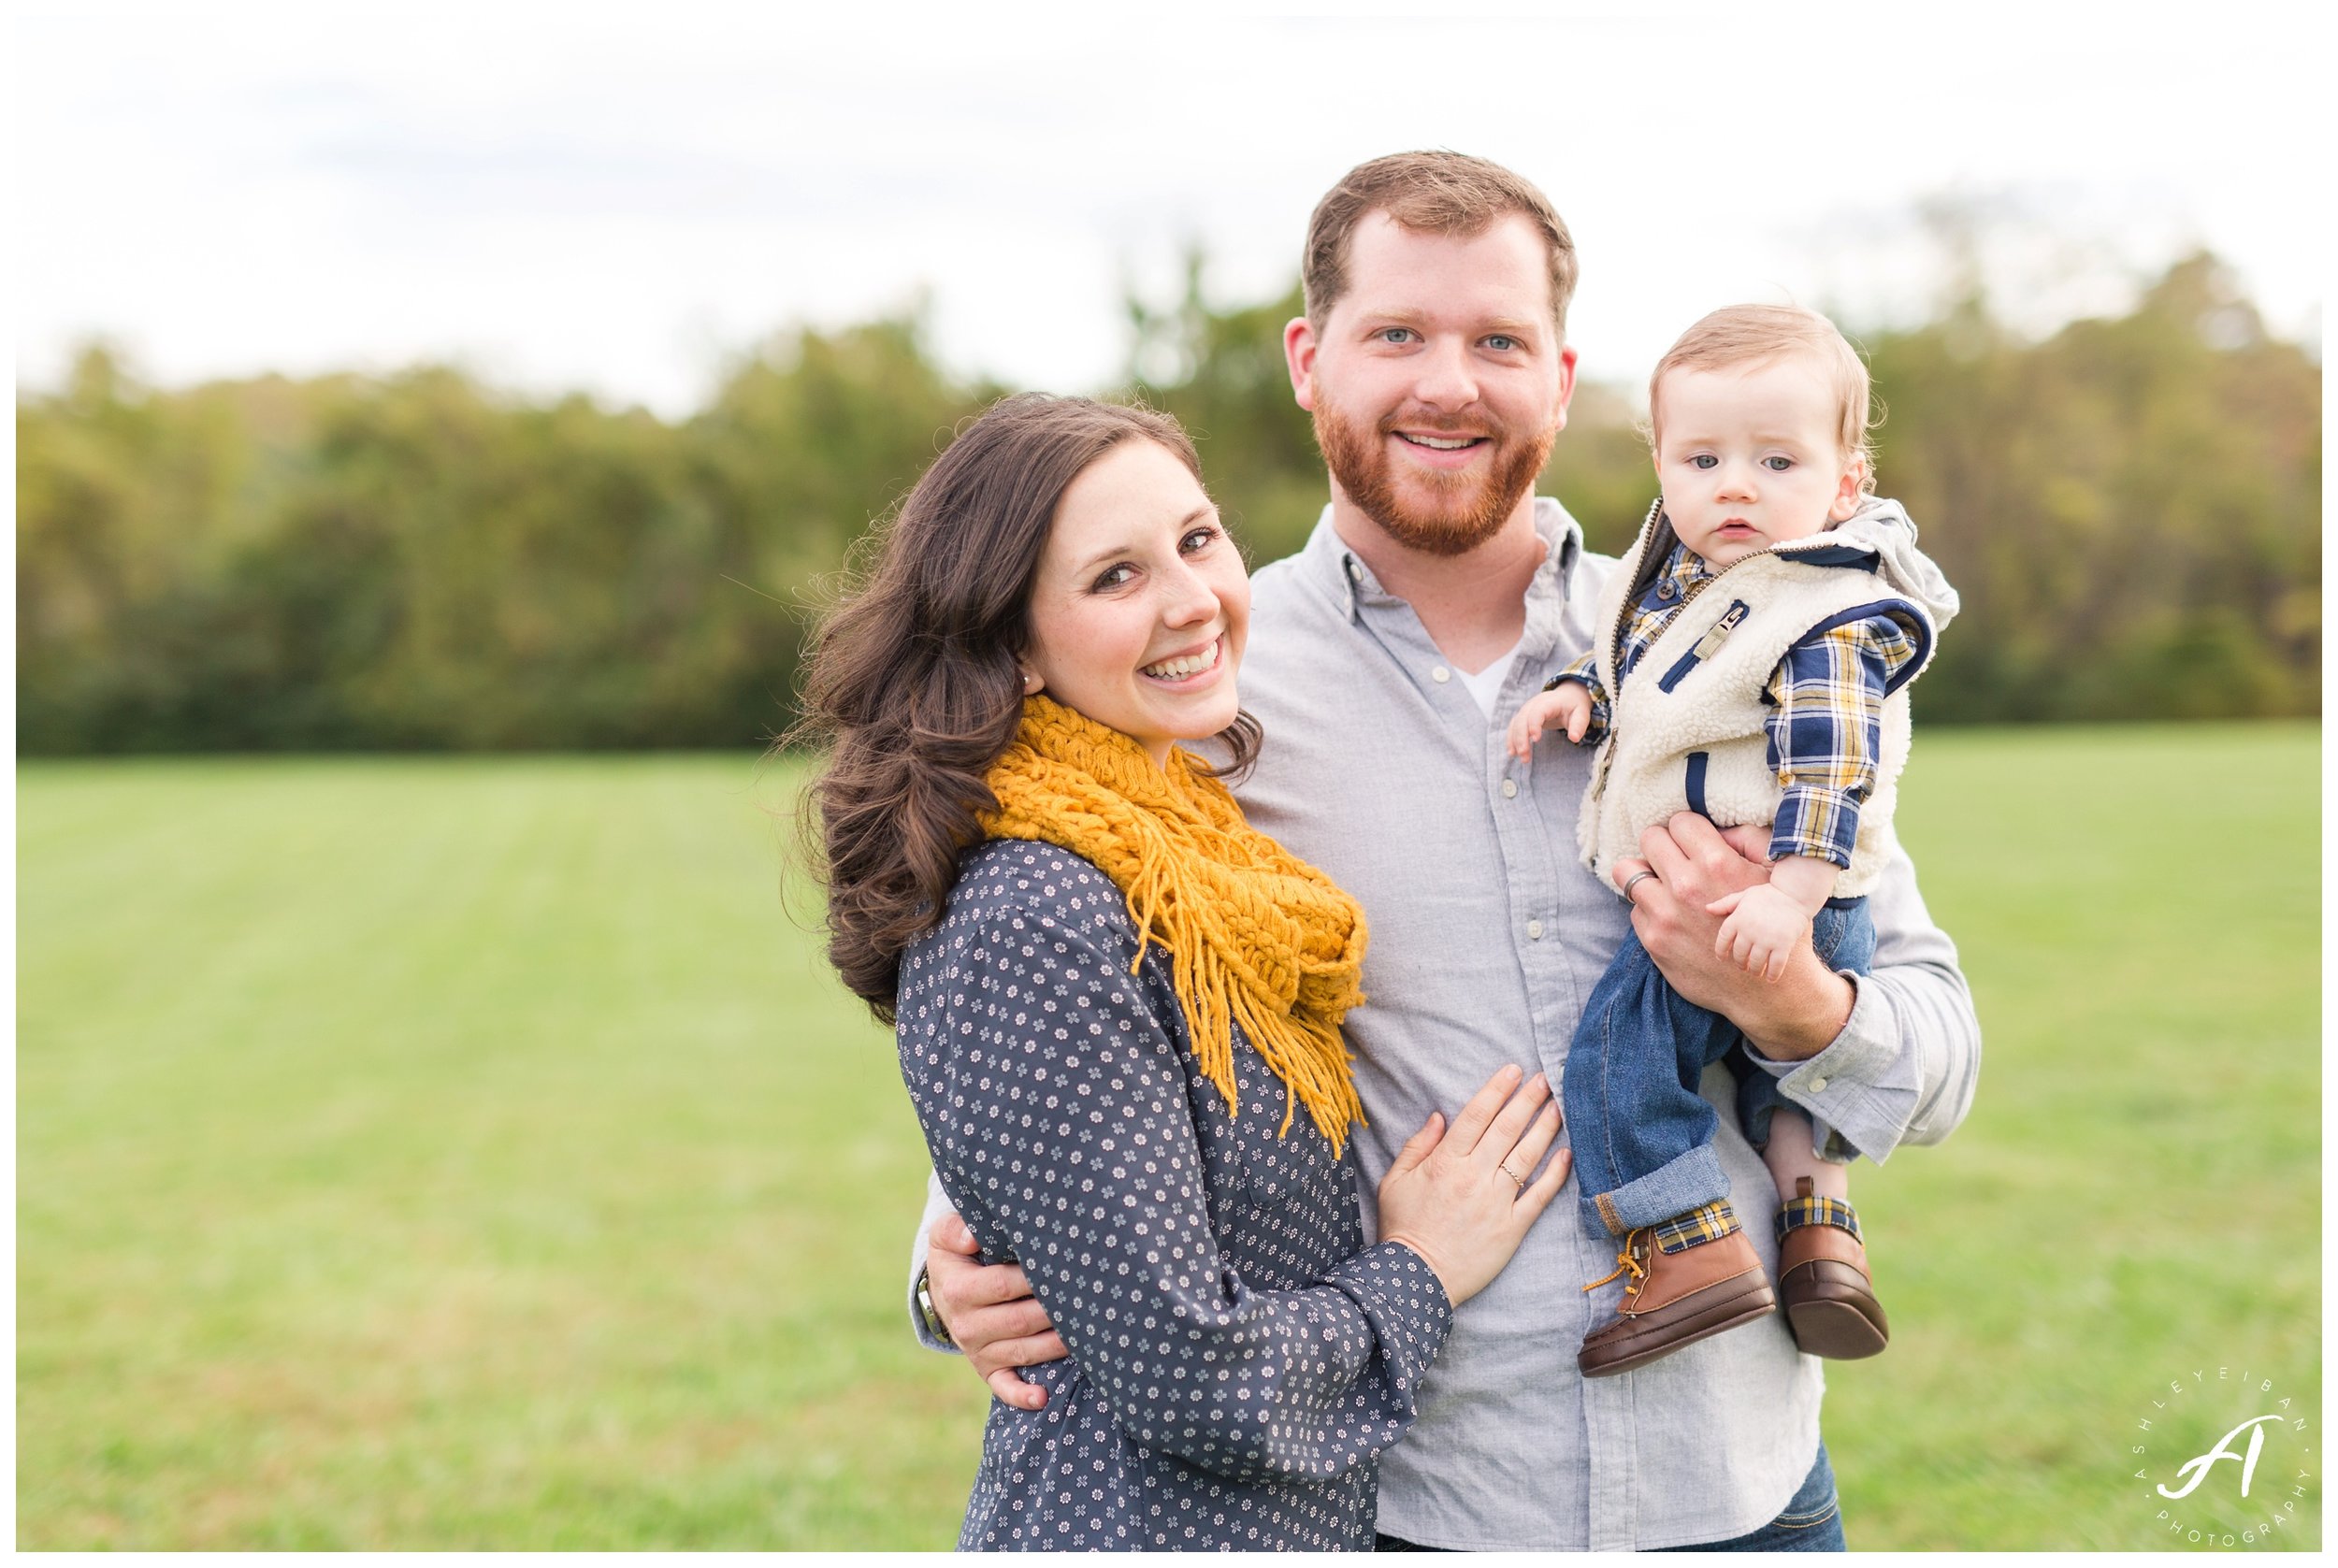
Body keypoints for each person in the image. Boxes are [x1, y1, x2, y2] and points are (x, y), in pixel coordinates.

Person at [916, 153, 1981, 1551]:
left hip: (1743, 1490)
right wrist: (951, 1261)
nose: (1448, 384)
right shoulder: (1197, 680)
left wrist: (1794, 1006)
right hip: (1410, 1503)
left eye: (1498, 342)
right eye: (1397, 335)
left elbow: (1938, 1047)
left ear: (1561, 373)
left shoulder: (1749, 651)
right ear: (1311, 358)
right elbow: (1061, 1026)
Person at [801, 393, 1571, 1550]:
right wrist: (1421, 1265)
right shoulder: (1036, 903)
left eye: (1198, 540)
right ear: (1011, 645)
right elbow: (1191, 1373)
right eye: (1114, 578)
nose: (1191, 600)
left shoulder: (1189, 852)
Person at [1504, 304, 1959, 1379]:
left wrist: (1785, 900)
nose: (1735, 485)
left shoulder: (1825, 611)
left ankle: (1683, 1248)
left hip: (1760, 900)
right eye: (1703, 458)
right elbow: (1654, 672)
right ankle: (1817, 1240)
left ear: (1843, 484)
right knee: (1779, 1093)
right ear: (1660, 467)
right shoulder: (1684, 581)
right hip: (1762, 900)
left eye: (1774, 459)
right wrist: (1579, 691)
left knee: (1620, 1063)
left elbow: (1829, 766)